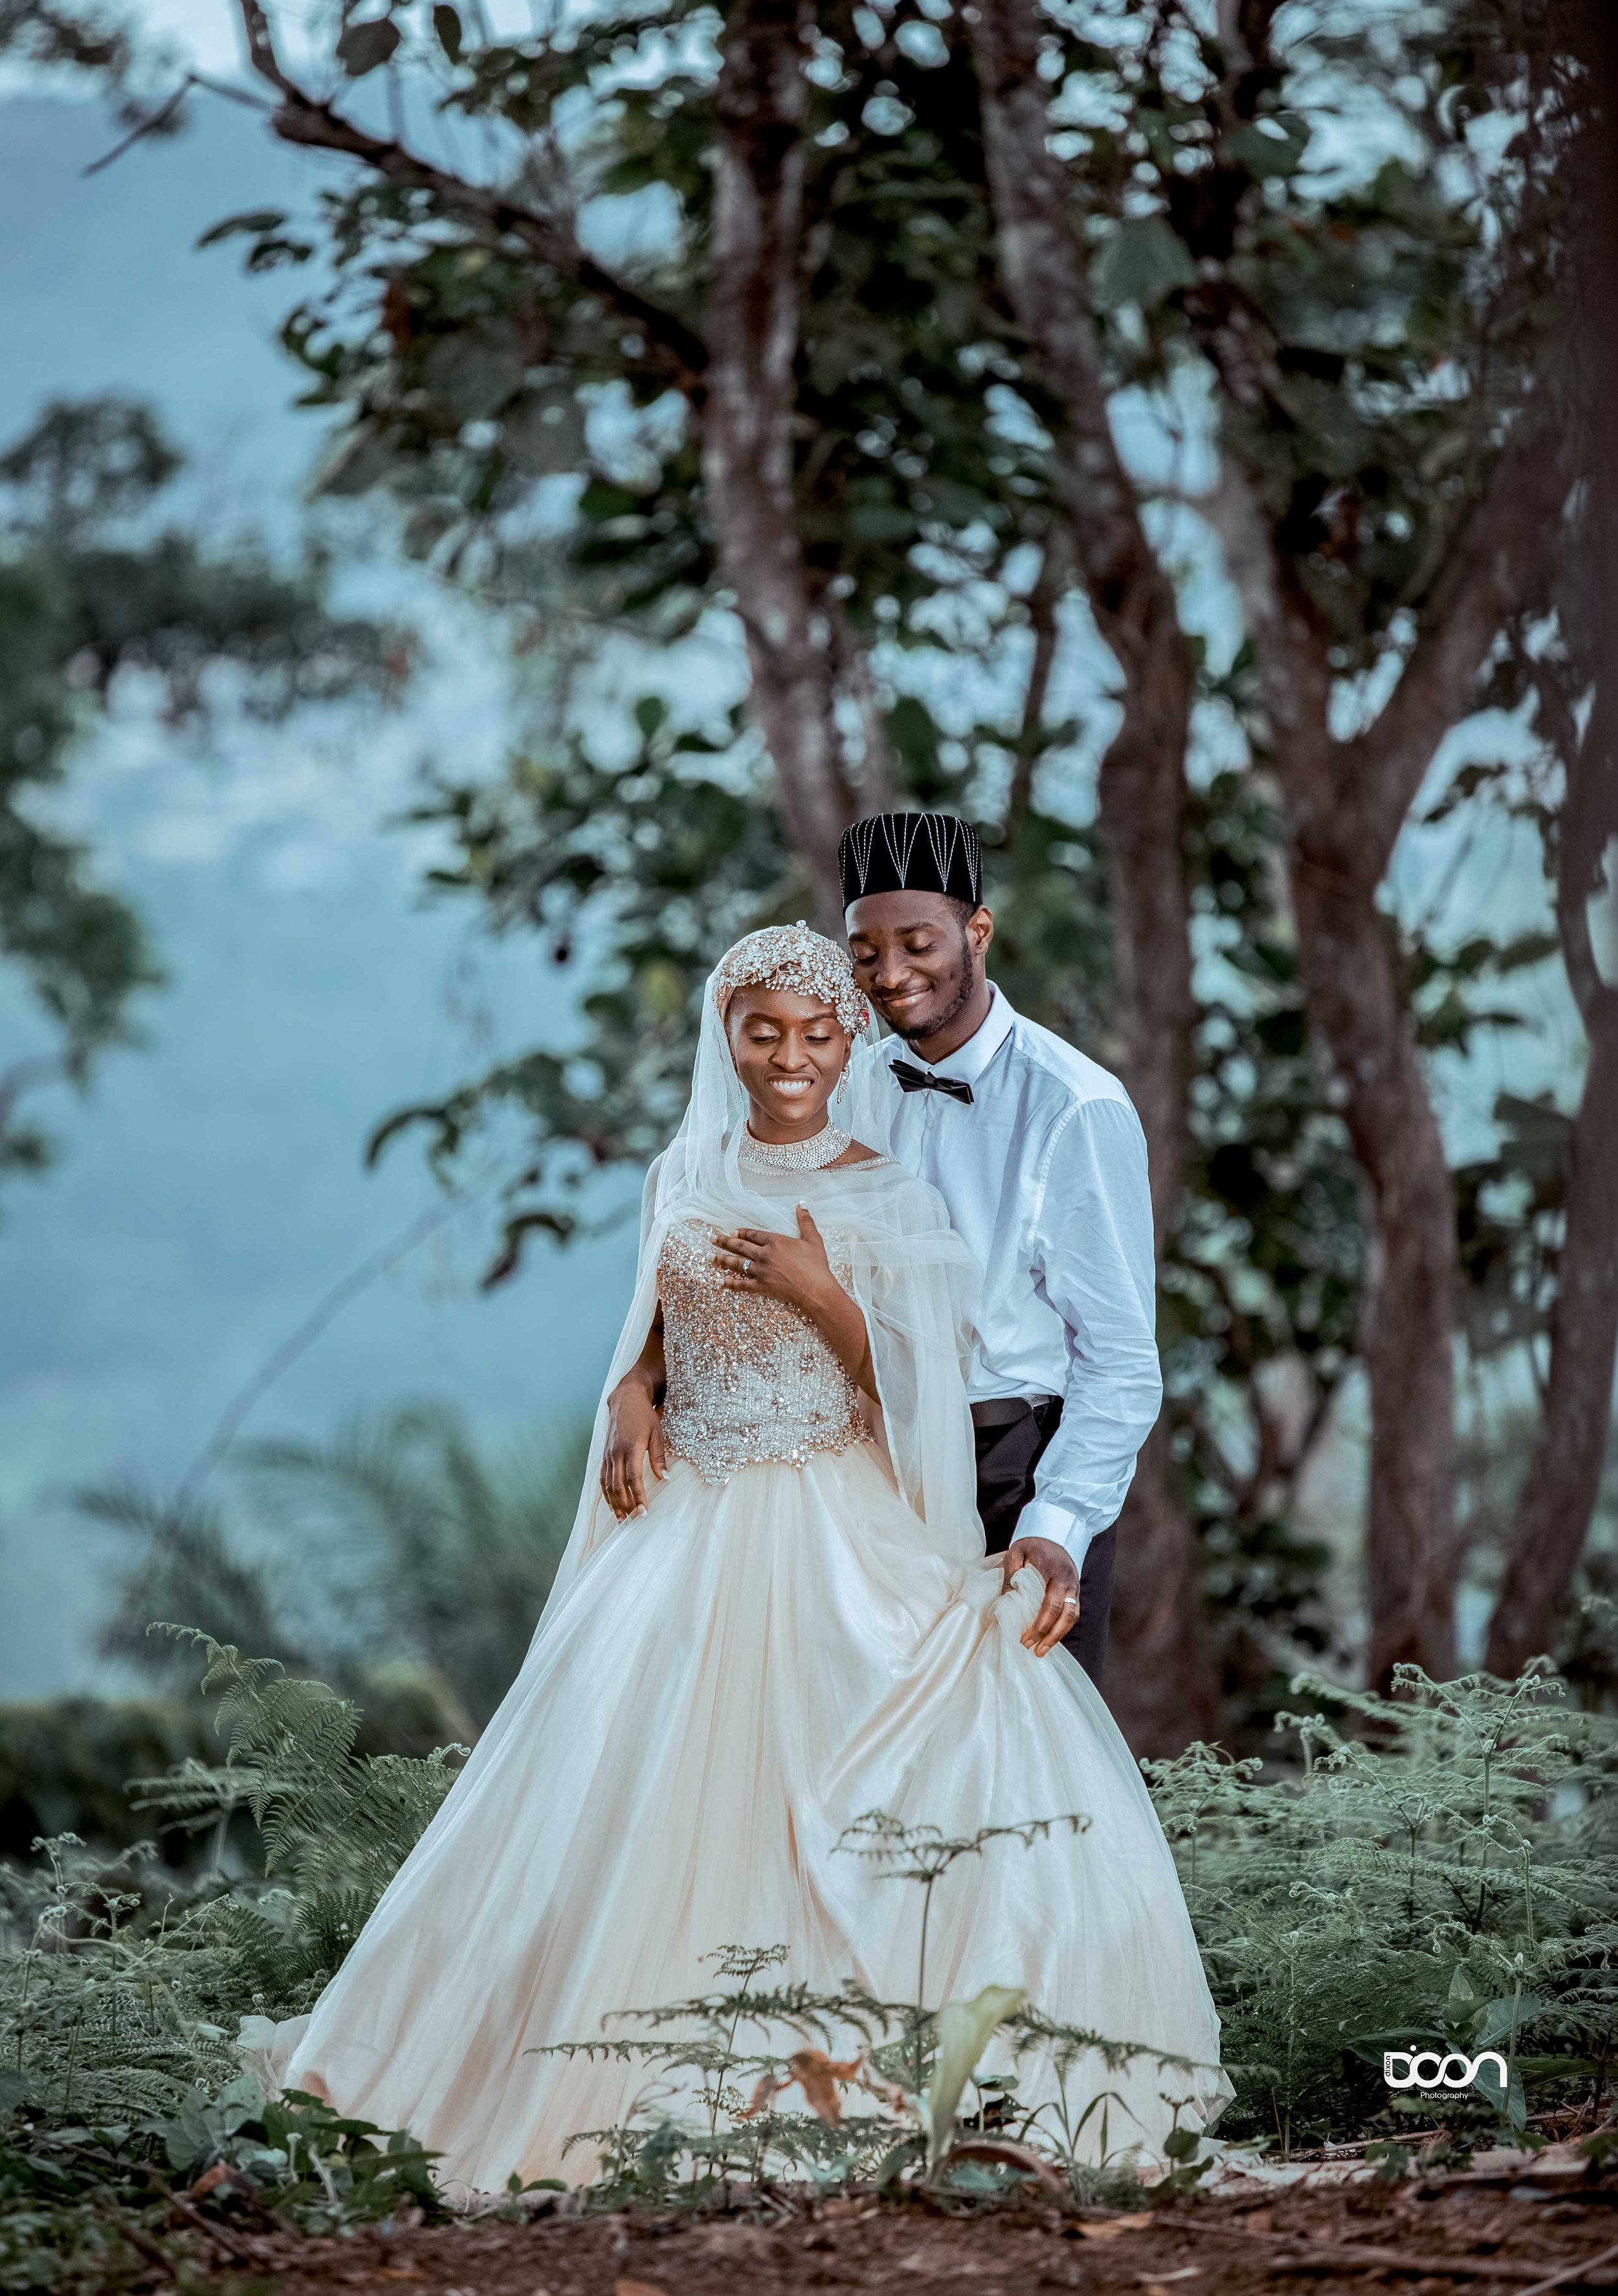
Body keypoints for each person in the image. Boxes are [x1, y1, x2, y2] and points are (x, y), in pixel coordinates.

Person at [243, 927, 1224, 2196]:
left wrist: (826, 1299)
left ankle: (842, 2076)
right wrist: (632, 1400)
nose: (791, 1058)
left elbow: (921, 1398)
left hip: (831, 1515)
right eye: (763, 1032)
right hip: (693, 1526)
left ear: (847, 1041)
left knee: (833, 1788)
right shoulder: (682, 1171)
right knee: (630, 1787)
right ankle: (600, 2059)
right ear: (726, 1038)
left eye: (818, 1034)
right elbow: (653, 1325)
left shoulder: (884, 1188)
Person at [839, 812, 1161, 1687]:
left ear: (977, 932)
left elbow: (1123, 1359)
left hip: (1015, 1470)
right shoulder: (855, 1086)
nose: (891, 975)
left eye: (918, 943)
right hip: (880, 1474)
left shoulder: (1075, 1107)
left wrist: (1058, 1522)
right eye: (866, 953)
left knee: (1026, 1781)